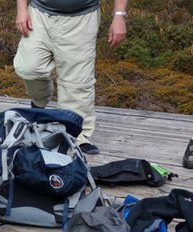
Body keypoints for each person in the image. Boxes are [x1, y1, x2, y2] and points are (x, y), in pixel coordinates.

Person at [13, 0, 128, 155]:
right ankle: (39, 105)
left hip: (82, 19)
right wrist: (21, 9)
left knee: (77, 82)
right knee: (29, 67)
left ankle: (77, 136)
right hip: (39, 14)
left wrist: (119, 15)